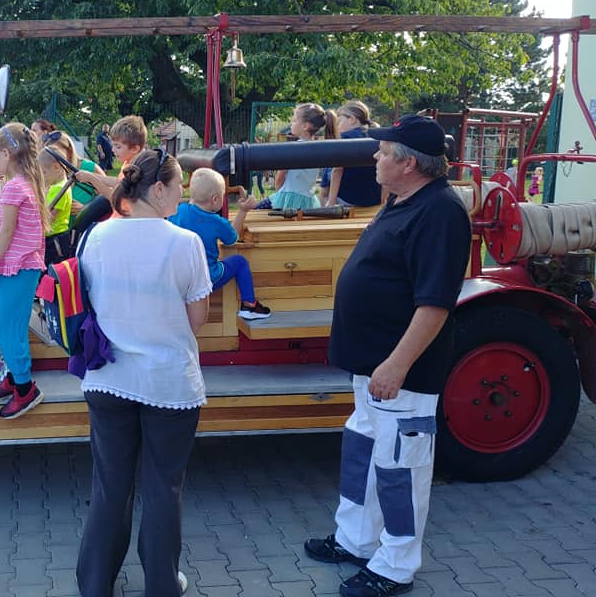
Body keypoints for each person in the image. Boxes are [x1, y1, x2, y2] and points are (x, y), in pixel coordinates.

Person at [304, 115, 471, 597]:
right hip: (371, 366)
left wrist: (397, 365)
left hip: (401, 373)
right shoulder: (403, 199)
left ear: (408, 163)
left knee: (400, 466)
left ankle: (396, 565)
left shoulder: (440, 212)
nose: (375, 157)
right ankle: (355, 539)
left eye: (383, 151)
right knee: (365, 451)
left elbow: (434, 303)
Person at [76, 149, 212, 597]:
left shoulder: (95, 236)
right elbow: (197, 319)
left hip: (108, 377)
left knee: (110, 487)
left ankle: (95, 583)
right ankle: (161, 584)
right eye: (178, 186)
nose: (182, 194)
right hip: (167, 381)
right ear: (157, 189)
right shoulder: (185, 242)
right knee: (162, 489)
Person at [0, 123, 50, 419]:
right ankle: (13, 376)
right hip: (23, 266)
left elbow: (7, 231)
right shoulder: (26, 183)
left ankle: (25, 388)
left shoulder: (13, 187)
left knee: (6, 328)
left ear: (6, 154)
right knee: (14, 326)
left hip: (16, 267)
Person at [170, 167, 271, 320]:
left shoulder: (178, 211)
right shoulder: (216, 222)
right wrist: (243, 211)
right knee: (240, 262)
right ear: (215, 199)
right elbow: (232, 238)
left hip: (179, 277)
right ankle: (249, 305)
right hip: (207, 277)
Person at [259, 103, 338, 210]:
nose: (291, 123)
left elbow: (279, 179)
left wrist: (281, 195)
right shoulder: (319, 148)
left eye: (295, 120)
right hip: (308, 200)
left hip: (288, 197)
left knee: (254, 210)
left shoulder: (293, 149)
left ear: (305, 126)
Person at [326, 100, 384, 208]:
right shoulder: (376, 137)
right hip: (373, 198)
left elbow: (337, 170)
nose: (338, 127)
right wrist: (383, 199)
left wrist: (331, 202)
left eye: (339, 122)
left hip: (348, 198)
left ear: (352, 119)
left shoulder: (345, 139)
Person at [75, 114, 148, 200]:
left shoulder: (137, 171)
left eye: (118, 147)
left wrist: (92, 179)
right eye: (113, 145)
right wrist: (92, 175)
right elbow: (118, 181)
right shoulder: (129, 162)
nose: (113, 150)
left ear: (134, 149)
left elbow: (114, 197)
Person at [42, 130, 106, 208]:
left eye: (56, 152)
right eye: (49, 153)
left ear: (69, 151)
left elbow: (110, 200)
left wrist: (85, 209)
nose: (51, 157)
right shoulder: (48, 172)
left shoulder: (89, 168)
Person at [38, 147, 73, 264]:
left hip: (55, 239)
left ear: (56, 167)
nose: (43, 177)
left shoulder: (59, 189)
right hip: (56, 236)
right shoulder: (58, 187)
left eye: (44, 172)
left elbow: (49, 217)